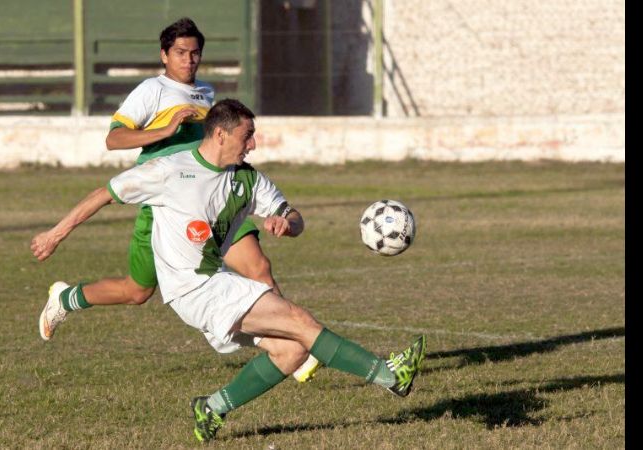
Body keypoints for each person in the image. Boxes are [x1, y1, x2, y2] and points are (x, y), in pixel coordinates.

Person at [31, 99, 427, 442]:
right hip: (194, 287)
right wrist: (55, 234)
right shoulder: (171, 170)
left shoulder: (247, 179)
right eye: (247, 135)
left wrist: (287, 222)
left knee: (290, 351)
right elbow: (105, 193)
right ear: (220, 135)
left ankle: (212, 407)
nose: (253, 143)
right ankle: (387, 375)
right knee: (298, 320)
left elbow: (292, 215)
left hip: (215, 284)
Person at [38, 17, 320, 381]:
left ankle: (290, 342)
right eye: (180, 53)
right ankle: (66, 298)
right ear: (164, 55)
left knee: (258, 266)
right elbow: (114, 139)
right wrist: (166, 129)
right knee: (137, 291)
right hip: (166, 206)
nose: (189, 60)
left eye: (195, 53)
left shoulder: (206, 91)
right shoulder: (151, 90)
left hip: (214, 199)